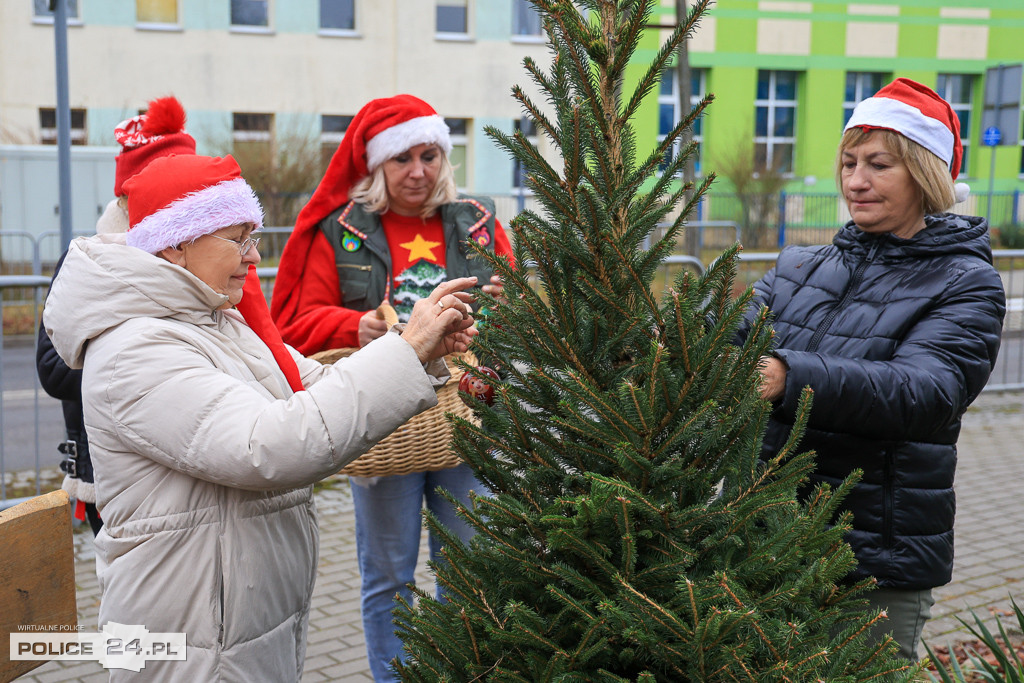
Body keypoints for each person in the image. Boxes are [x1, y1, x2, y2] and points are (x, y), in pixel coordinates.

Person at [43, 153, 479, 682]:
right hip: (190, 644)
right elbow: (271, 445)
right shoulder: (138, 348)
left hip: (231, 628)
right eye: (239, 237)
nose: (253, 257)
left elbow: (313, 388)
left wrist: (420, 352)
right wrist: (405, 352)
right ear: (176, 243)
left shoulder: (215, 322)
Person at [737, 78, 1006, 661]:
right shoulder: (798, 266)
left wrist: (790, 378)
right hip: (764, 538)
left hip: (873, 559)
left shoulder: (966, 282)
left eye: (880, 164)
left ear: (926, 173)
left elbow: (927, 392)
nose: (856, 180)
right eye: (849, 161)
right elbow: (716, 342)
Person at [271, 94, 513, 681]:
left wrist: (504, 307)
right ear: (378, 165)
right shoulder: (343, 230)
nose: (418, 171)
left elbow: (519, 307)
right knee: (388, 577)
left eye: (429, 155)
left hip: (465, 421)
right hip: (382, 429)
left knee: (469, 569)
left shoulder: (476, 221)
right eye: (402, 158)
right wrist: (354, 325)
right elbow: (292, 323)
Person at [35, 95, 197, 536]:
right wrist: (146, 364)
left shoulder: (209, 260)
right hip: (110, 478)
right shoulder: (85, 264)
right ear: (130, 196)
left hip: (192, 471)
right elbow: (53, 368)